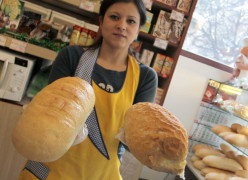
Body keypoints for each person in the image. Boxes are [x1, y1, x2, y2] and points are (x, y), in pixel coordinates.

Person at [17, 0, 158, 179]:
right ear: (101, 21)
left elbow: (134, 142)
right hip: (52, 171)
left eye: (131, 21)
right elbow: (49, 115)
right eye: (114, 17)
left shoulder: (145, 77)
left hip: (101, 174)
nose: (121, 26)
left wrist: (152, 144)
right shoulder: (72, 57)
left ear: (138, 30)